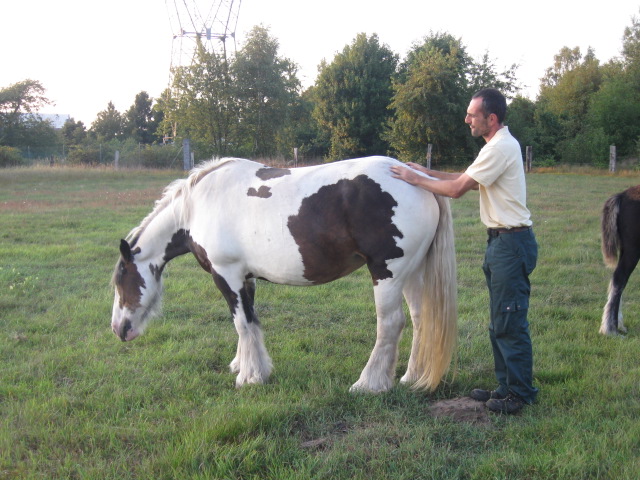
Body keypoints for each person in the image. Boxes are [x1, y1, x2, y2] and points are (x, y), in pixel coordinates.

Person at [390, 88, 538, 414]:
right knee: (500, 320)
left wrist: (414, 178)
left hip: (511, 244)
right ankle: (506, 387)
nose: (467, 119)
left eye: (473, 114)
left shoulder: (500, 147)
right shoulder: (496, 147)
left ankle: (521, 394)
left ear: (492, 118)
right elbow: (464, 179)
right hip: (502, 243)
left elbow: (456, 190)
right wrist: (426, 173)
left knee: (509, 322)